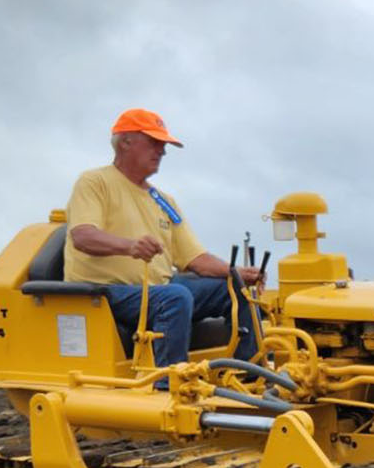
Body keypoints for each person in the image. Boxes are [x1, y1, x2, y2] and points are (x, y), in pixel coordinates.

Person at [64, 108, 259, 368]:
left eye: (163, 145)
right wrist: (130, 246)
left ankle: (253, 370)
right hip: (106, 291)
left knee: (238, 290)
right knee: (175, 297)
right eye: (154, 143)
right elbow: (83, 236)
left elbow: (195, 259)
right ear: (125, 142)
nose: (162, 152)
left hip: (156, 288)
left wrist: (236, 272)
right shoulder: (94, 182)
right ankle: (169, 381)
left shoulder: (164, 201)